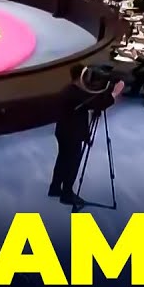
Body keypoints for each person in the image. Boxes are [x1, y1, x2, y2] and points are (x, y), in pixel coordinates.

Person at [50, 65, 124, 207]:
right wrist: (114, 94)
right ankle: (67, 194)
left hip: (64, 131)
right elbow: (98, 104)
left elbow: (91, 102)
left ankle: (55, 188)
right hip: (71, 133)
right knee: (72, 163)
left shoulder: (70, 89)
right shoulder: (76, 94)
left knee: (63, 159)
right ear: (81, 78)